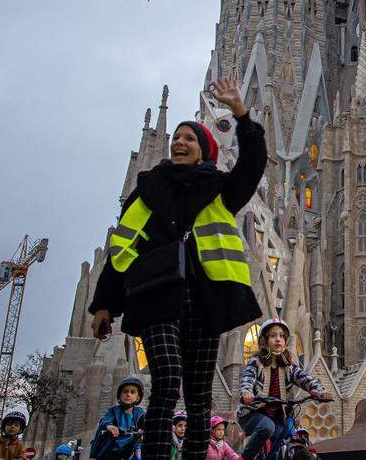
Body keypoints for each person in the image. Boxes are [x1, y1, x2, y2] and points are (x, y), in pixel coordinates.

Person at [89, 78, 267, 460]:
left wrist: (241, 114)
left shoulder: (220, 190)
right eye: (177, 139)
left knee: (200, 396)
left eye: (190, 139)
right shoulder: (147, 191)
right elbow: (122, 247)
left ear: (205, 151)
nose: (180, 143)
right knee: (168, 380)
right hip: (156, 295)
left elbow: (253, 165)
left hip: (204, 299)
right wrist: (105, 304)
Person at [237, 317, 332, 460]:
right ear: (264, 340)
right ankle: (243, 458)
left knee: (291, 438)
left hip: (277, 418)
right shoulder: (256, 363)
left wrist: (320, 391)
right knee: (267, 427)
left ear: (286, 341)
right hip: (252, 413)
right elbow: (247, 379)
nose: (278, 339)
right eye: (273, 336)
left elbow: (306, 379)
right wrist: (246, 392)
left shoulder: (289, 367)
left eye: (281, 336)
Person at [90, 377, 147, 460]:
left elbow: (146, 421)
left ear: (137, 397)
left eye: (132, 392)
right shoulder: (114, 410)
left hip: (132, 446)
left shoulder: (139, 412)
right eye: (125, 392)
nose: (128, 394)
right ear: (120, 395)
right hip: (114, 447)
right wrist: (109, 426)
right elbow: (106, 420)